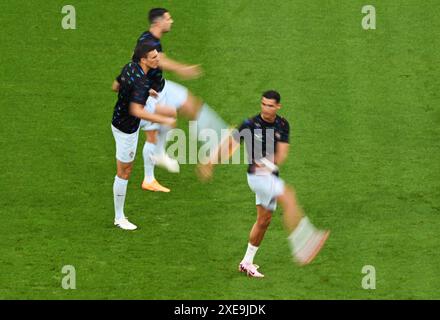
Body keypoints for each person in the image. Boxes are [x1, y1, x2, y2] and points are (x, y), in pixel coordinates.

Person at [198, 91, 330, 277]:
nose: (266, 108)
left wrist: (267, 163)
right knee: (289, 196)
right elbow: (229, 145)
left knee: (264, 221)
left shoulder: (282, 124)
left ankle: (247, 262)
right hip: (256, 177)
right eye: (263, 104)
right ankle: (303, 246)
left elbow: (282, 155)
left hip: (270, 176)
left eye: (270, 105)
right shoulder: (250, 124)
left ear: (277, 107)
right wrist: (210, 163)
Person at [113, 8, 226, 193]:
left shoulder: (150, 40)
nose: (171, 21)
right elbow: (160, 60)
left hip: (161, 87)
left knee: (191, 104)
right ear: (159, 22)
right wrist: (182, 69)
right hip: (149, 95)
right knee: (154, 132)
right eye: (168, 18)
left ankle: (216, 138)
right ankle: (150, 177)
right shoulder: (148, 41)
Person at [111, 43, 176, 230]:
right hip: (127, 129)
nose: (158, 59)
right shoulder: (142, 81)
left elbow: (116, 86)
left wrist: (143, 92)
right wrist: (160, 117)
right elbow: (136, 110)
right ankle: (119, 217)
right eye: (154, 57)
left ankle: (153, 168)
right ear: (143, 60)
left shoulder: (129, 67)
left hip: (118, 119)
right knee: (124, 172)